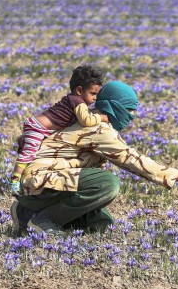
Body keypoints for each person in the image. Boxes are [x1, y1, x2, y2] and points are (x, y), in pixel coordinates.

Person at [9, 81, 178, 235]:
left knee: (102, 224)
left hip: (44, 183)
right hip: (39, 182)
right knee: (106, 183)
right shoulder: (98, 128)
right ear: (114, 106)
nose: (131, 116)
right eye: (129, 109)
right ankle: (43, 219)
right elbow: (134, 161)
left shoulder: (92, 120)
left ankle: (25, 212)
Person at [7, 65, 109, 195]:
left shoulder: (73, 99)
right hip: (38, 128)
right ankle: (15, 179)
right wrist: (101, 117)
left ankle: (24, 144)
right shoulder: (78, 102)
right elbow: (86, 120)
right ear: (79, 90)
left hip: (44, 128)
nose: (95, 98)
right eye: (93, 94)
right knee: (29, 154)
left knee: (36, 150)